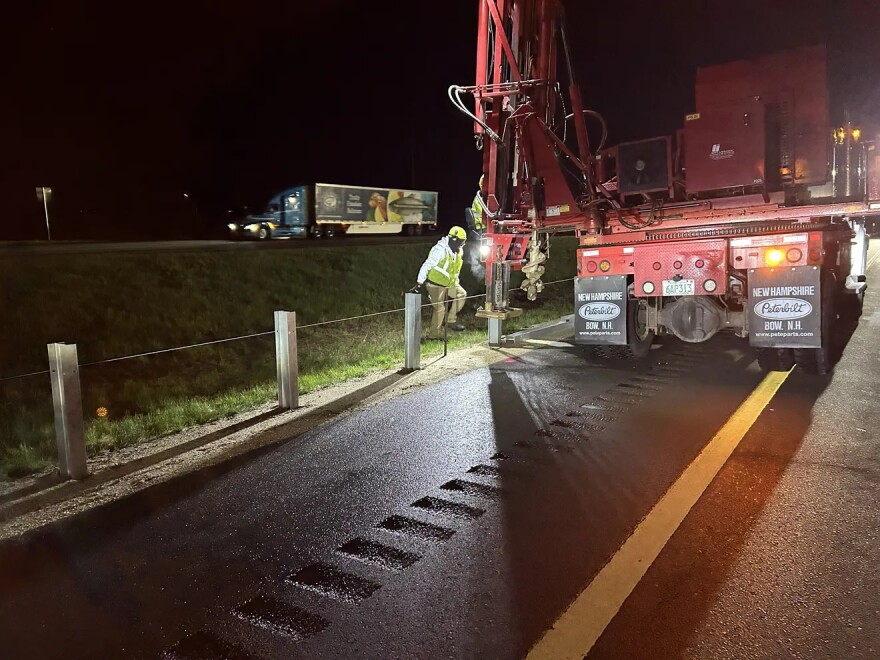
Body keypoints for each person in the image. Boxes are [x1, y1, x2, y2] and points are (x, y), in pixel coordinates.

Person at [410, 226, 468, 339]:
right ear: (454, 240)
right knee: (440, 309)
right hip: (434, 284)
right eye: (462, 242)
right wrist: (418, 284)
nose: (463, 245)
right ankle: (433, 335)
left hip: (449, 284)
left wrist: (456, 282)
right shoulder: (439, 250)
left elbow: (455, 270)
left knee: (461, 294)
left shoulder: (457, 251)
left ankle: (450, 321)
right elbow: (426, 265)